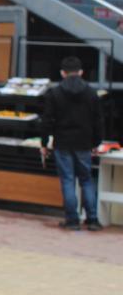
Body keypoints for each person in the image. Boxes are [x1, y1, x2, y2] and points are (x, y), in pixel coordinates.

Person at [41, 55, 104, 231]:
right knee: (86, 180)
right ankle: (92, 219)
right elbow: (98, 120)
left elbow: (47, 120)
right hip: (84, 143)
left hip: (62, 142)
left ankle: (72, 220)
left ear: (62, 73)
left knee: (68, 180)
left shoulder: (55, 93)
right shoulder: (91, 93)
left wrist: (44, 142)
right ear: (81, 72)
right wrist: (96, 142)